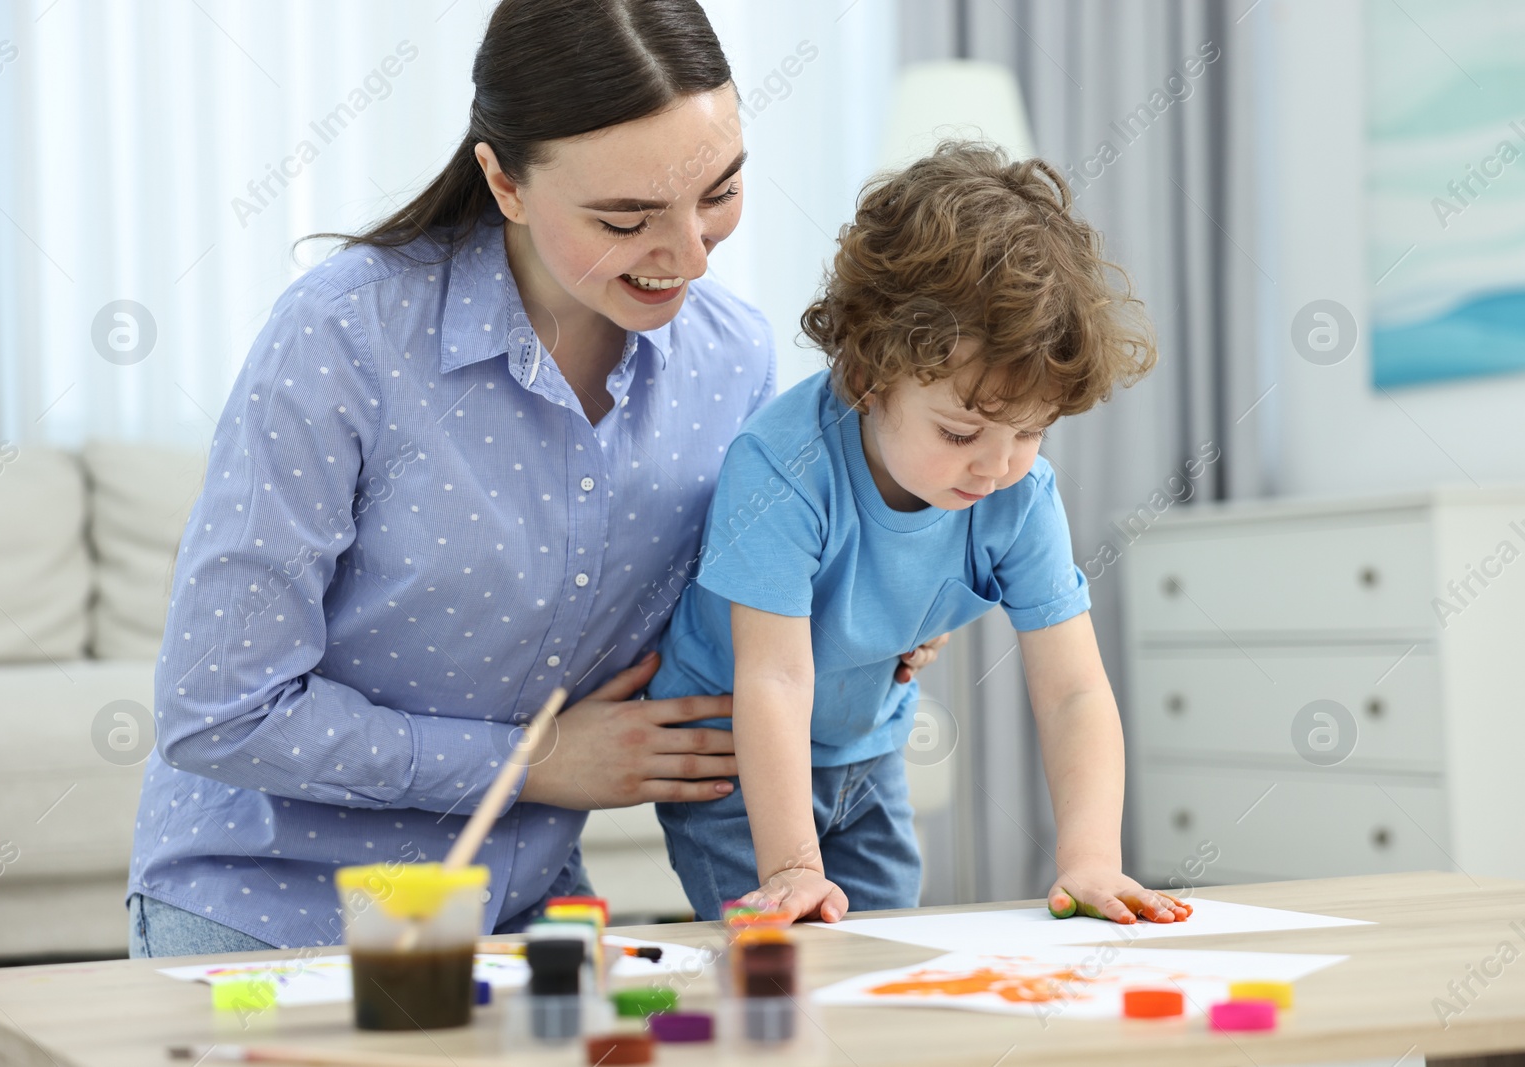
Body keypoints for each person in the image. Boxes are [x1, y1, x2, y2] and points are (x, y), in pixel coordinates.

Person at [126, 0, 943, 957]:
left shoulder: (733, 363)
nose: (687, 254)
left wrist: (861, 610)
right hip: (269, 910)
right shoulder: (343, 337)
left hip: (524, 910)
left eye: (718, 192)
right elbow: (218, 710)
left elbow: (732, 619)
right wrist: (531, 761)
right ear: (504, 181)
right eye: (626, 218)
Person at [651, 142, 1191, 927]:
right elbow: (773, 682)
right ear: (869, 375)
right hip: (732, 763)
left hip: (867, 750)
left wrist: (1089, 856)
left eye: (1031, 430)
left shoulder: (1017, 488)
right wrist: (794, 865)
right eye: (961, 430)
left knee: (886, 964)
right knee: (783, 964)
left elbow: (1072, 687)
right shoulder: (781, 465)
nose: (998, 466)